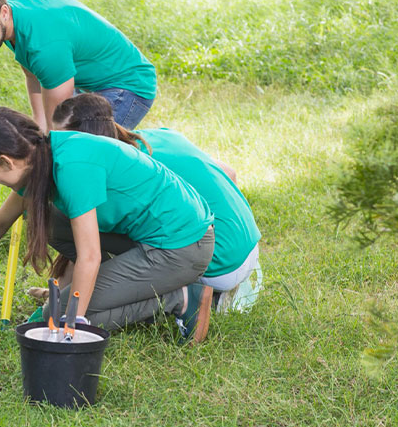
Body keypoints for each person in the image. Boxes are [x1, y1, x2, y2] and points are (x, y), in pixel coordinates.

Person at [0, 107, 216, 343]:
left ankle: (177, 298)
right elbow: (0, 221)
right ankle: (119, 282)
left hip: (182, 246)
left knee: (54, 318)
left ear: (6, 160)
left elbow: (89, 255)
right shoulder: (40, 156)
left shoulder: (72, 168)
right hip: (149, 235)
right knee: (43, 219)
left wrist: (74, 319)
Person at [52, 93, 262, 312]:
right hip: (248, 247)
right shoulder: (158, 136)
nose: (59, 149)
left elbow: (86, 237)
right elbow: (229, 172)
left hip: (214, 262)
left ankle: (182, 295)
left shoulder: (120, 172)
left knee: (78, 223)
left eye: (65, 139)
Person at [0, 0, 156, 132]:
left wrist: (49, 137)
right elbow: (32, 72)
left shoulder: (44, 45)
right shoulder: (7, 14)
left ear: (3, 13)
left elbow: (59, 128)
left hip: (127, 86)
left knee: (80, 152)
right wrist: (39, 124)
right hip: (87, 83)